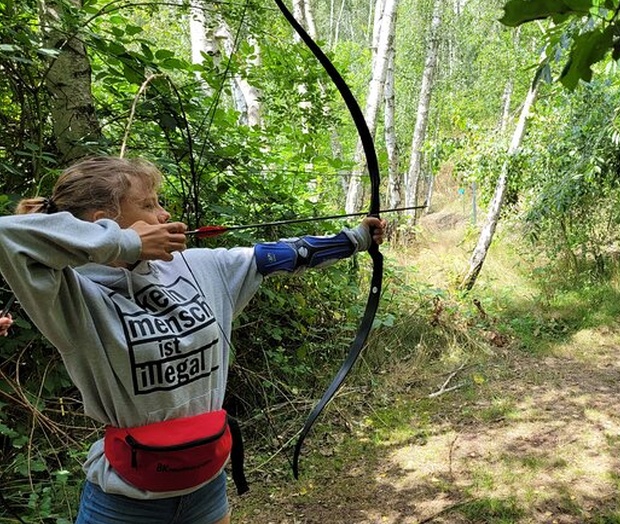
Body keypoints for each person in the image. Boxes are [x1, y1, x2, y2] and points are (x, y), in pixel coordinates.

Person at [0, 156, 385, 524]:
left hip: (205, 485)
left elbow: (283, 254)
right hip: (125, 502)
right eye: (149, 205)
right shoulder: (69, 295)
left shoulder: (203, 266)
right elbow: (6, 235)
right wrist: (125, 245)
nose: (164, 214)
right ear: (105, 223)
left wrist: (356, 239)